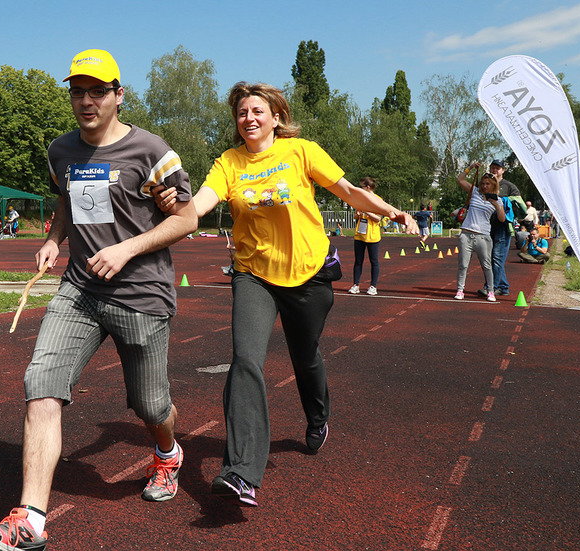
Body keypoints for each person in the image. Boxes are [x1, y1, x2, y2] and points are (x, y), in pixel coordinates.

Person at [0, 49, 198, 551]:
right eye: (77, 91)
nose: (86, 101)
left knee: (149, 403)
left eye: (97, 91)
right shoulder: (61, 151)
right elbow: (66, 201)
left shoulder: (151, 151)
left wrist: (127, 248)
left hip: (141, 296)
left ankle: (168, 452)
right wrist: (54, 238)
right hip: (80, 291)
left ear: (119, 94)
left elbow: (187, 219)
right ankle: (29, 521)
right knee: (41, 384)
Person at [154, 81, 417, 507]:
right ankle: (242, 471)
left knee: (305, 355)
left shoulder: (302, 152)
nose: (249, 119)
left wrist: (391, 211)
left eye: (258, 111)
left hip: (308, 275)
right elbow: (201, 203)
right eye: (242, 113)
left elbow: (348, 192)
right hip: (254, 274)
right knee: (245, 361)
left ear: (276, 117)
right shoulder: (228, 162)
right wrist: (174, 207)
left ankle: (318, 415)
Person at [455, 164, 506, 301]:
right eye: (483, 183)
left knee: (486, 265)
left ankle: (491, 291)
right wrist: (470, 167)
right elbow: (460, 180)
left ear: (493, 185)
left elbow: (502, 219)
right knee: (463, 264)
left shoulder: (498, 200)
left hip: (483, 236)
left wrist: (496, 206)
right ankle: (460, 290)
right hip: (466, 234)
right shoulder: (475, 192)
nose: (484, 186)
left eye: (487, 184)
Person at [487, 159, 521, 297]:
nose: (495, 170)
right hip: (487, 225)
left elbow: (519, 203)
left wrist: (503, 201)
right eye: (493, 167)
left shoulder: (509, 186)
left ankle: (492, 286)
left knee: (497, 257)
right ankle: (503, 286)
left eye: (498, 168)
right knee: (489, 257)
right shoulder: (486, 183)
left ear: (503, 170)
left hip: (503, 226)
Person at [348, 177, 384, 296]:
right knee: (358, 261)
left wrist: (367, 211)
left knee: (374, 261)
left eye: (362, 186)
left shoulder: (378, 200)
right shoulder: (360, 198)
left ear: (368, 187)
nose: (360, 188)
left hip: (372, 235)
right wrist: (358, 214)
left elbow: (378, 218)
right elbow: (356, 217)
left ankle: (373, 286)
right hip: (360, 234)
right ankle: (356, 285)